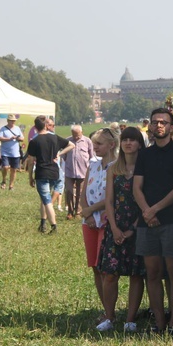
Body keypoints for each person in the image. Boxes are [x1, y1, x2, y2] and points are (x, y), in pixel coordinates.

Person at [133, 107, 173, 334]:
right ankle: (159, 322)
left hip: (170, 221)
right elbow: (137, 187)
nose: (159, 126)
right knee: (152, 273)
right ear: (150, 126)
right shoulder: (144, 155)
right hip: (147, 222)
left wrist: (154, 209)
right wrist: (147, 211)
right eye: (155, 122)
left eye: (164, 122)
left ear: (172, 127)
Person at [97, 127, 147, 332]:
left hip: (138, 225)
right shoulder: (113, 169)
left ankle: (130, 319)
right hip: (115, 226)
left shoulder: (145, 169)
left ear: (139, 144)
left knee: (137, 274)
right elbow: (108, 200)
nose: (128, 143)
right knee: (110, 274)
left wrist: (133, 229)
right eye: (125, 139)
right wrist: (115, 228)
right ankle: (109, 317)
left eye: (133, 140)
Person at [81, 127, 118, 320]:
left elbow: (112, 196)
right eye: (94, 143)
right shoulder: (92, 164)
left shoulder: (117, 166)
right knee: (95, 267)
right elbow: (84, 190)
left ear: (111, 145)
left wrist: (91, 210)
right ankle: (106, 310)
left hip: (106, 221)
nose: (94, 147)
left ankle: (111, 312)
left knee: (106, 268)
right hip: (89, 222)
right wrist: (86, 213)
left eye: (99, 144)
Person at [26, 115, 75, 234]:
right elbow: (71, 145)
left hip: (42, 172)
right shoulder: (54, 138)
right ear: (46, 126)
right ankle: (42, 224)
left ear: (35, 127)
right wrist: (59, 154)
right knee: (44, 199)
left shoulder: (34, 141)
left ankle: (54, 227)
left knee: (47, 201)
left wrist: (30, 177)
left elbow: (31, 161)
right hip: (55, 172)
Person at [62, 124, 95, 219]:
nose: (76, 137)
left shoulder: (87, 141)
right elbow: (64, 156)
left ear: (82, 132)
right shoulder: (67, 141)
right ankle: (70, 211)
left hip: (83, 171)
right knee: (69, 191)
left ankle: (78, 212)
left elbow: (91, 156)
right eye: (74, 134)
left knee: (80, 193)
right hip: (69, 171)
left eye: (78, 135)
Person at [0, 114, 24, 190]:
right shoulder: (3, 129)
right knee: (5, 167)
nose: (13, 122)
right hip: (5, 152)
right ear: (8, 121)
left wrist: (18, 138)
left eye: (14, 121)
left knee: (14, 169)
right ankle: (4, 180)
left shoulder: (17, 128)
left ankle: (11, 185)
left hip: (15, 153)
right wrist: (9, 139)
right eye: (11, 121)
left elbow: (22, 138)